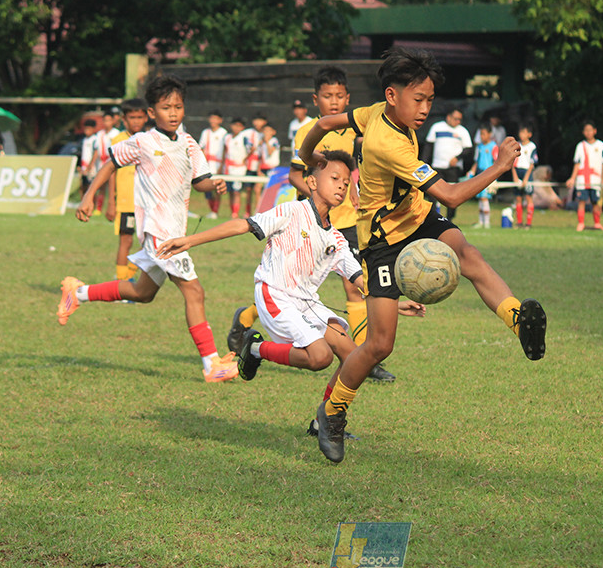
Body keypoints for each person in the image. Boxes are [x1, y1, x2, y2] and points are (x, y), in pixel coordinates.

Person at [298, 46, 548, 463]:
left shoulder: (377, 110)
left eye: (430, 100)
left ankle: (519, 320)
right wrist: (501, 166)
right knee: (379, 344)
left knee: (467, 253)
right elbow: (451, 194)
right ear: (393, 95)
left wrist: (310, 158)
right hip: (381, 239)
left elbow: (324, 122)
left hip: (416, 215)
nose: (425, 109)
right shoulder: (384, 142)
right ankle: (332, 413)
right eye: (420, 99)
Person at [156, 151, 425, 432]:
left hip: (307, 304)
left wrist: (394, 303)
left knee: (352, 356)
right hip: (275, 294)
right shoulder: (291, 211)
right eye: (334, 178)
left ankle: (324, 421)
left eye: (346, 183)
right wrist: (190, 240)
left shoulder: (336, 239)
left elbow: (361, 280)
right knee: (319, 357)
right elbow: (243, 225)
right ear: (311, 182)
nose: (341, 186)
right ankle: (256, 349)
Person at [56, 74, 237, 383]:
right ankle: (211, 364)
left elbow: (200, 180)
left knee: (142, 292)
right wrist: (89, 196)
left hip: (175, 231)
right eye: (166, 107)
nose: (173, 113)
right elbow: (111, 162)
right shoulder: (142, 141)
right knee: (194, 291)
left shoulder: (189, 143)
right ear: (152, 112)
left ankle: (78, 293)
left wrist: (214, 184)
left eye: (178, 106)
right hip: (159, 231)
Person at [227, 65, 398, 384]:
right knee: (291, 288)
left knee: (353, 285)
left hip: (348, 222)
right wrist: (319, 194)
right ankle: (248, 318)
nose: (333, 102)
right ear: (315, 99)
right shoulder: (309, 131)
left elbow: (350, 171)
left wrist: (355, 189)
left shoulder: (353, 132)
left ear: (348, 98)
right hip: (309, 224)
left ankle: (360, 355)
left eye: (339, 96)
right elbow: (294, 174)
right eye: (326, 96)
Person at [105, 98, 150, 282]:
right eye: (132, 117)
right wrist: (111, 201)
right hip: (126, 201)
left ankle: (129, 277)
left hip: (147, 201)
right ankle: (121, 283)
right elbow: (111, 171)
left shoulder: (150, 140)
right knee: (126, 241)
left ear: (146, 117)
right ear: (124, 119)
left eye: (140, 117)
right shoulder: (119, 140)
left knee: (149, 243)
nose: (136, 121)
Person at [424, 107, 472, 220]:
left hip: (453, 168)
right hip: (437, 166)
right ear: (448, 117)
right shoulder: (437, 127)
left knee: (452, 194)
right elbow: (428, 147)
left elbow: (468, 150)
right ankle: (433, 218)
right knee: (433, 194)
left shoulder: (462, 131)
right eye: (456, 119)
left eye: (460, 119)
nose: (458, 122)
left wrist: (458, 158)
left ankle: (449, 218)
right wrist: (424, 163)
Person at [565, 120, 603, 231]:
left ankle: (597, 223)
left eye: (590, 130)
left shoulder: (601, 145)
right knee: (582, 201)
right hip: (582, 178)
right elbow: (577, 164)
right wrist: (572, 178)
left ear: (595, 131)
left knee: (595, 202)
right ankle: (581, 223)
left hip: (595, 178)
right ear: (583, 132)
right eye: (586, 130)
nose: (588, 132)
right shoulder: (580, 146)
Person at [466, 124, 498, 228]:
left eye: (483, 134)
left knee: (484, 198)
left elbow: (496, 162)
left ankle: (487, 222)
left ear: (489, 134)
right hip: (480, 174)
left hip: (488, 175)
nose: (482, 136)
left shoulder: (494, 146)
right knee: (480, 198)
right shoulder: (479, 147)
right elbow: (477, 161)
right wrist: (472, 171)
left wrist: (494, 177)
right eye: (480, 134)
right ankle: (481, 221)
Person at [199, 110, 228, 219]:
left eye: (216, 118)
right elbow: (201, 147)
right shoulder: (205, 132)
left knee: (217, 187)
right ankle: (211, 210)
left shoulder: (223, 133)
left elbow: (225, 150)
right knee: (207, 188)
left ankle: (215, 210)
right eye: (211, 118)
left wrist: (222, 165)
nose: (213, 121)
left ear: (220, 120)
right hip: (207, 165)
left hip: (218, 164)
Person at [512, 123, 539, 229]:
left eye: (524, 132)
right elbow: (512, 163)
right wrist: (514, 176)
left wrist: (526, 178)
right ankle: (519, 222)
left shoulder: (532, 147)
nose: (521, 134)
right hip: (517, 171)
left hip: (527, 172)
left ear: (529, 134)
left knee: (528, 197)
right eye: (520, 132)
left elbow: (532, 164)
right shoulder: (516, 145)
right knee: (518, 197)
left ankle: (528, 223)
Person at [222, 118, 249, 219]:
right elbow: (225, 151)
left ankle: (236, 213)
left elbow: (251, 149)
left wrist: (244, 159)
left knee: (237, 191)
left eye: (239, 126)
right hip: (229, 167)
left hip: (239, 168)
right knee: (230, 191)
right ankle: (232, 211)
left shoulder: (244, 138)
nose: (236, 128)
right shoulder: (228, 137)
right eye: (235, 125)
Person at [243, 115, 267, 217]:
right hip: (250, 165)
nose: (257, 122)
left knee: (258, 190)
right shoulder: (248, 133)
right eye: (256, 120)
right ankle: (247, 211)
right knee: (248, 189)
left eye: (260, 120)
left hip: (261, 166)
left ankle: (259, 212)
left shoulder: (266, 134)